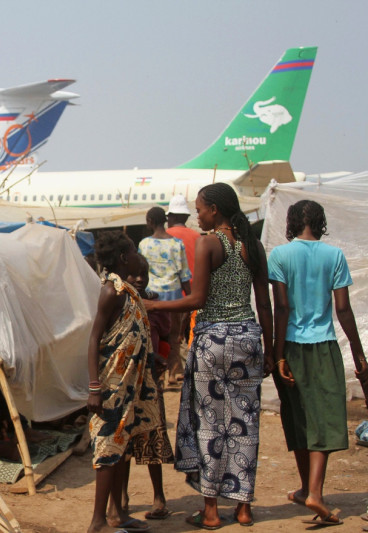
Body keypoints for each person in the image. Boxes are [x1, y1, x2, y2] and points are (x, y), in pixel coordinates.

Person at [143, 182, 274, 529]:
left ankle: (212, 510)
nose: (197, 215)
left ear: (214, 210)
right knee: (245, 424)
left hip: (212, 342)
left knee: (209, 425)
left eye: (199, 209)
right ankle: (244, 507)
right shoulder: (253, 246)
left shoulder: (208, 243)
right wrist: (272, 351)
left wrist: (153, 304)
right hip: (248, 341)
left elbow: (197, 299)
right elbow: (264, 303)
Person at [268, 200, 368, 527]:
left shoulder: (280, 256)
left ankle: (306, 489)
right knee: (323, 419)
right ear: (320, 222)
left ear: (292, 221)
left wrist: (278, 353)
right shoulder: (334, 256)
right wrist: (357, 350)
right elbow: (343, 310)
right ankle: (313, 492)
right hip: (323, 346)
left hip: (292, 347)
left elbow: (281, 308)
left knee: (298, 417)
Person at [87, 231, 161, 533]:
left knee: (121, 448)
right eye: (132, 251)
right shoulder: (111, 292)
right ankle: (97, 522)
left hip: (129, 385)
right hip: (112, 385)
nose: (136, 256)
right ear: (122, 258)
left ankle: (116, 514)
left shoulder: (128, 291)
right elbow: (93, 339)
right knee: (108, 448)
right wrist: (94, 387)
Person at [109, 253, 174, 522]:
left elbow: (167, 336)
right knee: (122, 444)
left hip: (148, 381)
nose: (138, 278)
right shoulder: (115, 302)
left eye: (143, 274)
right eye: (133, 274)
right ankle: (121, 498)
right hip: (123, 382)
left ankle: (159, 497)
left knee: (153, 439)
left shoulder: (154, 304)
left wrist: (163, 357)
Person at [138, 206, 192, 388]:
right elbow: (184, 275)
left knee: (155, 338)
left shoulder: (144, 244)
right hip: (174, 297)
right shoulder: (177, 244)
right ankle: (173, 373)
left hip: (152, 299)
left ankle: (157, 375)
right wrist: (189, 300)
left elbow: (139, 271)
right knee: (175, 336)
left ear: (150, 222)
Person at [165, 195, 202, 384]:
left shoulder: (165, 237)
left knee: (172, 334)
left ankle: (173, 370)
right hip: (196, 293)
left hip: (172, 294)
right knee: (189, 334)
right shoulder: (198, 237)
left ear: (170, 217)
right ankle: (184, 368)